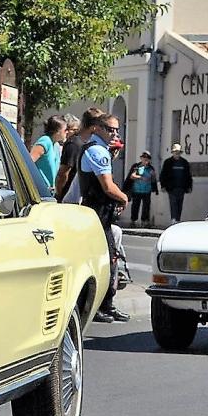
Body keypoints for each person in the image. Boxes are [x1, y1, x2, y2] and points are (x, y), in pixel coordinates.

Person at [78, 113, 129, 323]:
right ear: (97, 128)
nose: (114, 134)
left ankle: (107, 304)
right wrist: (124, 198)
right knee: (104, 259)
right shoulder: (98, 151)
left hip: (101, 212)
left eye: (117, 130)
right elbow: (108, 187)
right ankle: (98, 306)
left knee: (109, 257)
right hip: (96, 211)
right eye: (110, 129)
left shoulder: (100, 150)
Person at [55, 108, 103, 203]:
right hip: (69, 199)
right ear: (94, 127)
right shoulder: (74, 144)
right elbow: (63, 173)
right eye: (102, 126)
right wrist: (59, 195)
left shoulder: (90, 143)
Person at [30, 115, 67, 193]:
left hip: (50, 191)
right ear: (57, 131)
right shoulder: (45, 141)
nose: (67, 132)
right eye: (65, 130)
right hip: (39, 191)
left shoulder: (56, 145)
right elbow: (28, 163)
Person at [159, 143, 193, 224]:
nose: (177, 154)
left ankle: (178, 219)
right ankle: (173, 219)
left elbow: (188, 175)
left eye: (178, 152)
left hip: (181, 187)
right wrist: (163, 185)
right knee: (173, 203)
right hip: (171, 187)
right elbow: (163, 175)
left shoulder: (184, 162)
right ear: (173, 153)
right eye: (175, 152)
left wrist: (189, 186)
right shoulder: (168, 162)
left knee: (179, 204)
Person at [123, 150, 158, 227]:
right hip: (137, 190)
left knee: (146, 207)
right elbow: (132, 176)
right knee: (135, 206)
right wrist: (141, 177)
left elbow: (153, 179)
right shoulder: (137, 166)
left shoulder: (150, 168)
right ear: (141, 158)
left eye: (147, 158)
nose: (146, 160)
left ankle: (144, 221)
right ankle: (133, 221)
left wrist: (155, 188)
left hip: (146, 190)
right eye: (144, 158)